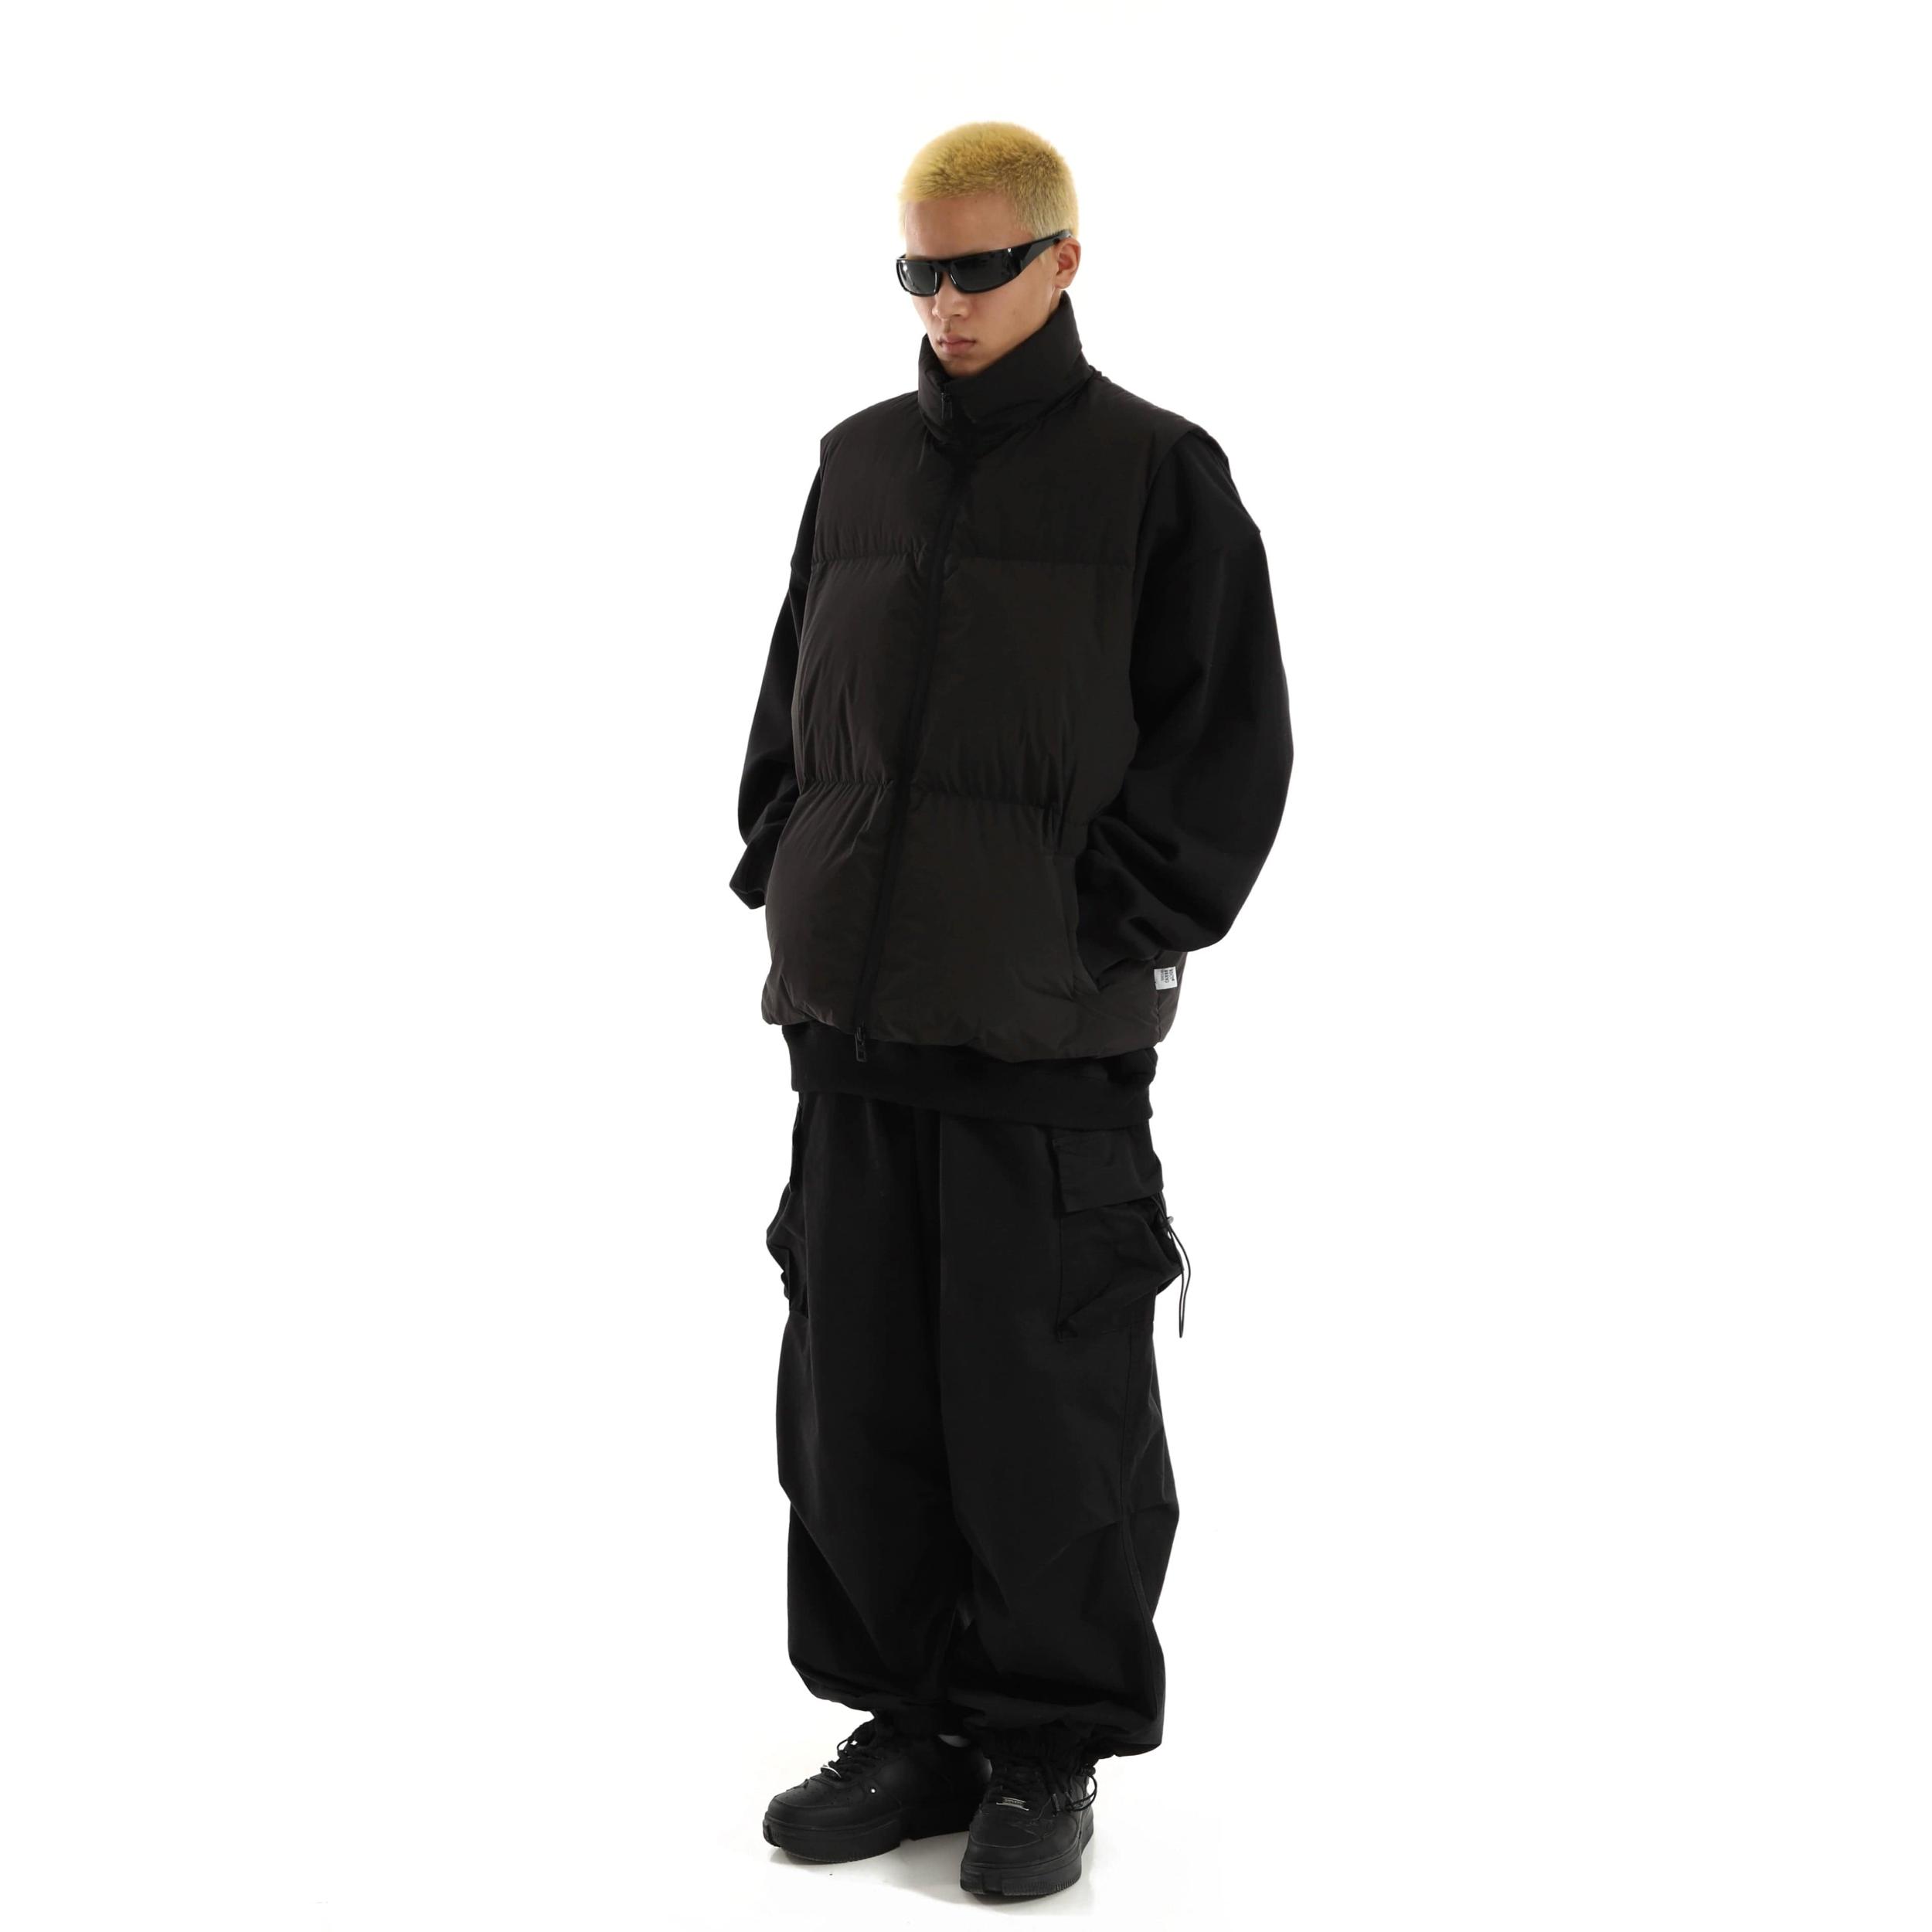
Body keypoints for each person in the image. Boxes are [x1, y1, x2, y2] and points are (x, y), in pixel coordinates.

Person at [728, 120, 1293, 1899]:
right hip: (851, 1029)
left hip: (1044, 1041)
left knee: (1042, 1408)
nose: (947, 303)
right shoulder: (857, 463)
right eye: (919, 270)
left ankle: (1043, 1740)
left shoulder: (1155, 474)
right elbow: (792, 696)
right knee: (857, 1400)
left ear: (1061, 258)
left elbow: (1226, 745)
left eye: (980, 267)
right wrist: (782, 860)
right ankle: (910, 1719)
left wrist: (1100, 924)